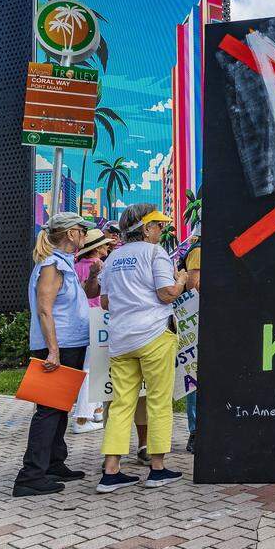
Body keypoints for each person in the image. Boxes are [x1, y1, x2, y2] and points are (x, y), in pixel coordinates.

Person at [96, 204, 187, 493]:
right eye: (158, 225)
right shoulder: (154, 253)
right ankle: (157, 469)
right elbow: (166, 294)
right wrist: (181, 279)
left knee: (122, 405)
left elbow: (105, 302)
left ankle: (111, 472)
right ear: (146, 229)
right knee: (159, 402)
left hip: (121, 340)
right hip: (154, 335)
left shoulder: (112, 259)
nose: (162, 229)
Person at [13, 213, 96, 497]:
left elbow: (72, 301)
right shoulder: (50, 265)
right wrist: (53, 350)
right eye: (83, 231)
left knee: (60, 408)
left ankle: (53, 462)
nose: (85, 235)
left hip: (69, 344)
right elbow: (44, 309)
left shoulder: (62, 264)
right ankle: (30, 476)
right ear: (71, 233)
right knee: (49, 410)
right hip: (57, 346)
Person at [71, 229, 113, 434]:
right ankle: (82, 417)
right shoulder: (100, 268)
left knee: (92, 366)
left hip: (79, 320)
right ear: (96, 248)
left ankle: (96, 409)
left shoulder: (75, 266)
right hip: (97, 318)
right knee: (93, 368)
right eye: (104, 244)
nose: (108, 246)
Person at [182, 228, 201, 454]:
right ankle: (195, 431)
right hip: (197, 318)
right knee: (195, 377)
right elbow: (193, 285)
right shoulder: (198, 250)